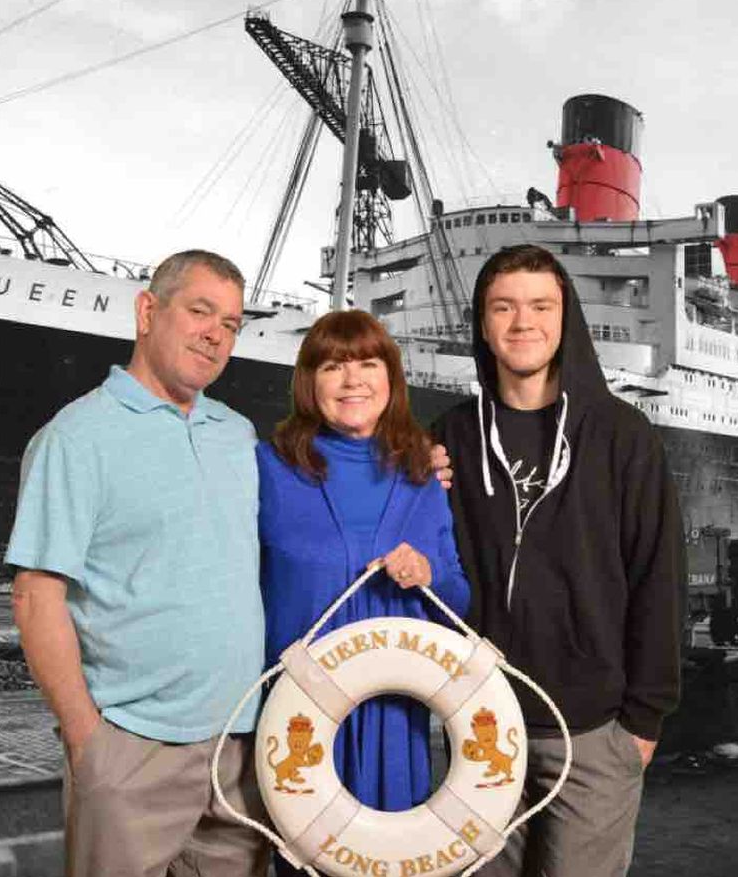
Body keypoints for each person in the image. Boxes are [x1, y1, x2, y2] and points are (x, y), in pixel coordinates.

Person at [5, 250, 269, 877]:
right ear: (148, 312)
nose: (215, 335)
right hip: (132, 746)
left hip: (239, 749)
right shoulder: (76, 437)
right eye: (200, 311)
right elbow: (36, 597)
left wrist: (421, 463)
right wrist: (89, 744)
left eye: (231, 324)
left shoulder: (238, 434)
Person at [433, 244, 684, 877]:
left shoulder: (623, 435)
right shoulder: (450, 436)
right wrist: (409, 483)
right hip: (480, 725)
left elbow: (660, 578)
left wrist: (643, 721)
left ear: (565, 317)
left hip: (593, 732)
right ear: (482, 321)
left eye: (541, 306)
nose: (523, 322)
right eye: (504, 307)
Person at [258, 310, 469, 865]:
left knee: (391, 863)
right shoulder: (268, 468)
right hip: (298, 715)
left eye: (368, 364)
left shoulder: (423, 475)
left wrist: (427, 574)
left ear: (391, 378)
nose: (352, 380)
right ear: (310, 382)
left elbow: (459, 601)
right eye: (333, 366)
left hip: (394, 719)